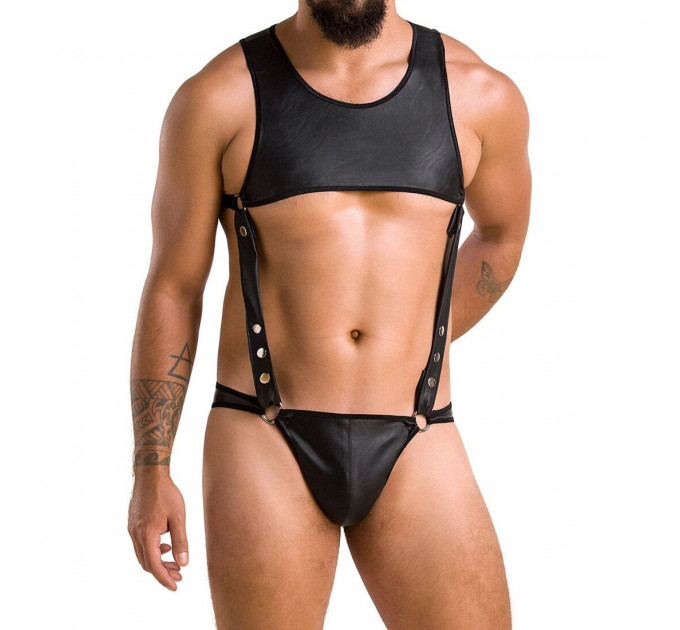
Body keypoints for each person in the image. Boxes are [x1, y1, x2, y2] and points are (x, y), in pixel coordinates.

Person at [127, 0, 531, 627]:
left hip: (418, 430)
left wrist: (419, 335)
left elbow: (502, 236)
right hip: (265, 431)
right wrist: (151, 469)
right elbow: (173, 289)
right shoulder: (219, 99)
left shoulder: (478, 95)